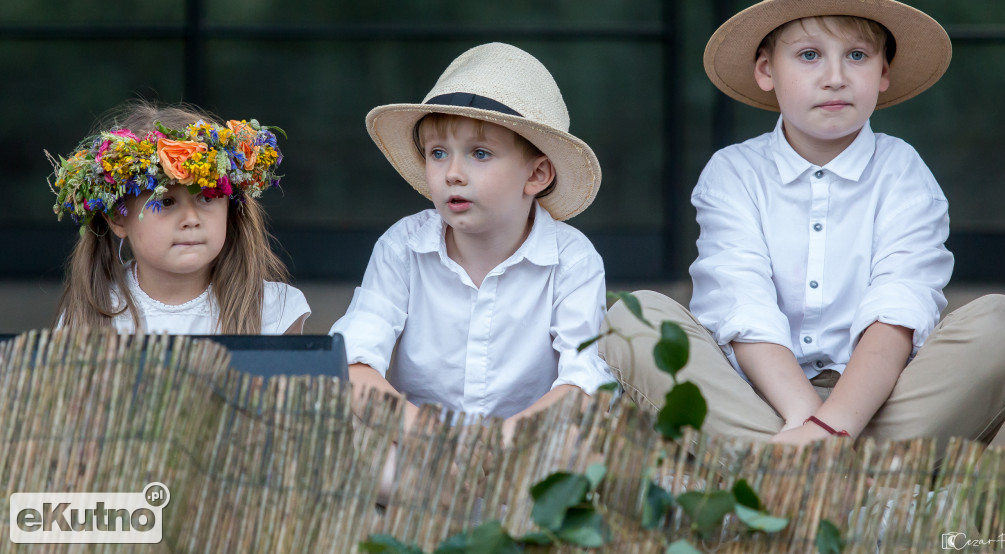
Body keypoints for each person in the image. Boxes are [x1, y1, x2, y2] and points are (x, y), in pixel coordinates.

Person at [602, 0, 1005, 449]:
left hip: (883, 401)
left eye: (857, 56)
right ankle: (833, 474)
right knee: (636, 315)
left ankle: (773, 473)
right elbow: (742, 305)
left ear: (883, 73)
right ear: (766, 71)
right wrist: (807, 421)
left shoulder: (904, 172)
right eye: (808, 55)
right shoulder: (734, 172)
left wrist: (832, 427)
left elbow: (897, 311)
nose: (835, 77)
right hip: (756, 398)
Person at [331, 42, 612, 443]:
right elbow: (353, 365)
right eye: (438, 153)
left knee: (586, 458)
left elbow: (584, 386)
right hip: (416, 446)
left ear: (537, 175)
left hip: (526, 450)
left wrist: (494, 446)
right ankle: (437, 494)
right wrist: (435, 442)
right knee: (353, 452)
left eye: (480, 153)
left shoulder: (572, 259)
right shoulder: (402, 247)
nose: (453, 174)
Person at [49, 101, 309, 335]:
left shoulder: (273, 312)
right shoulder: (90, 315)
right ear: (118, 218)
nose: (191, 219)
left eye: (207, 197)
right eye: (166, 201)